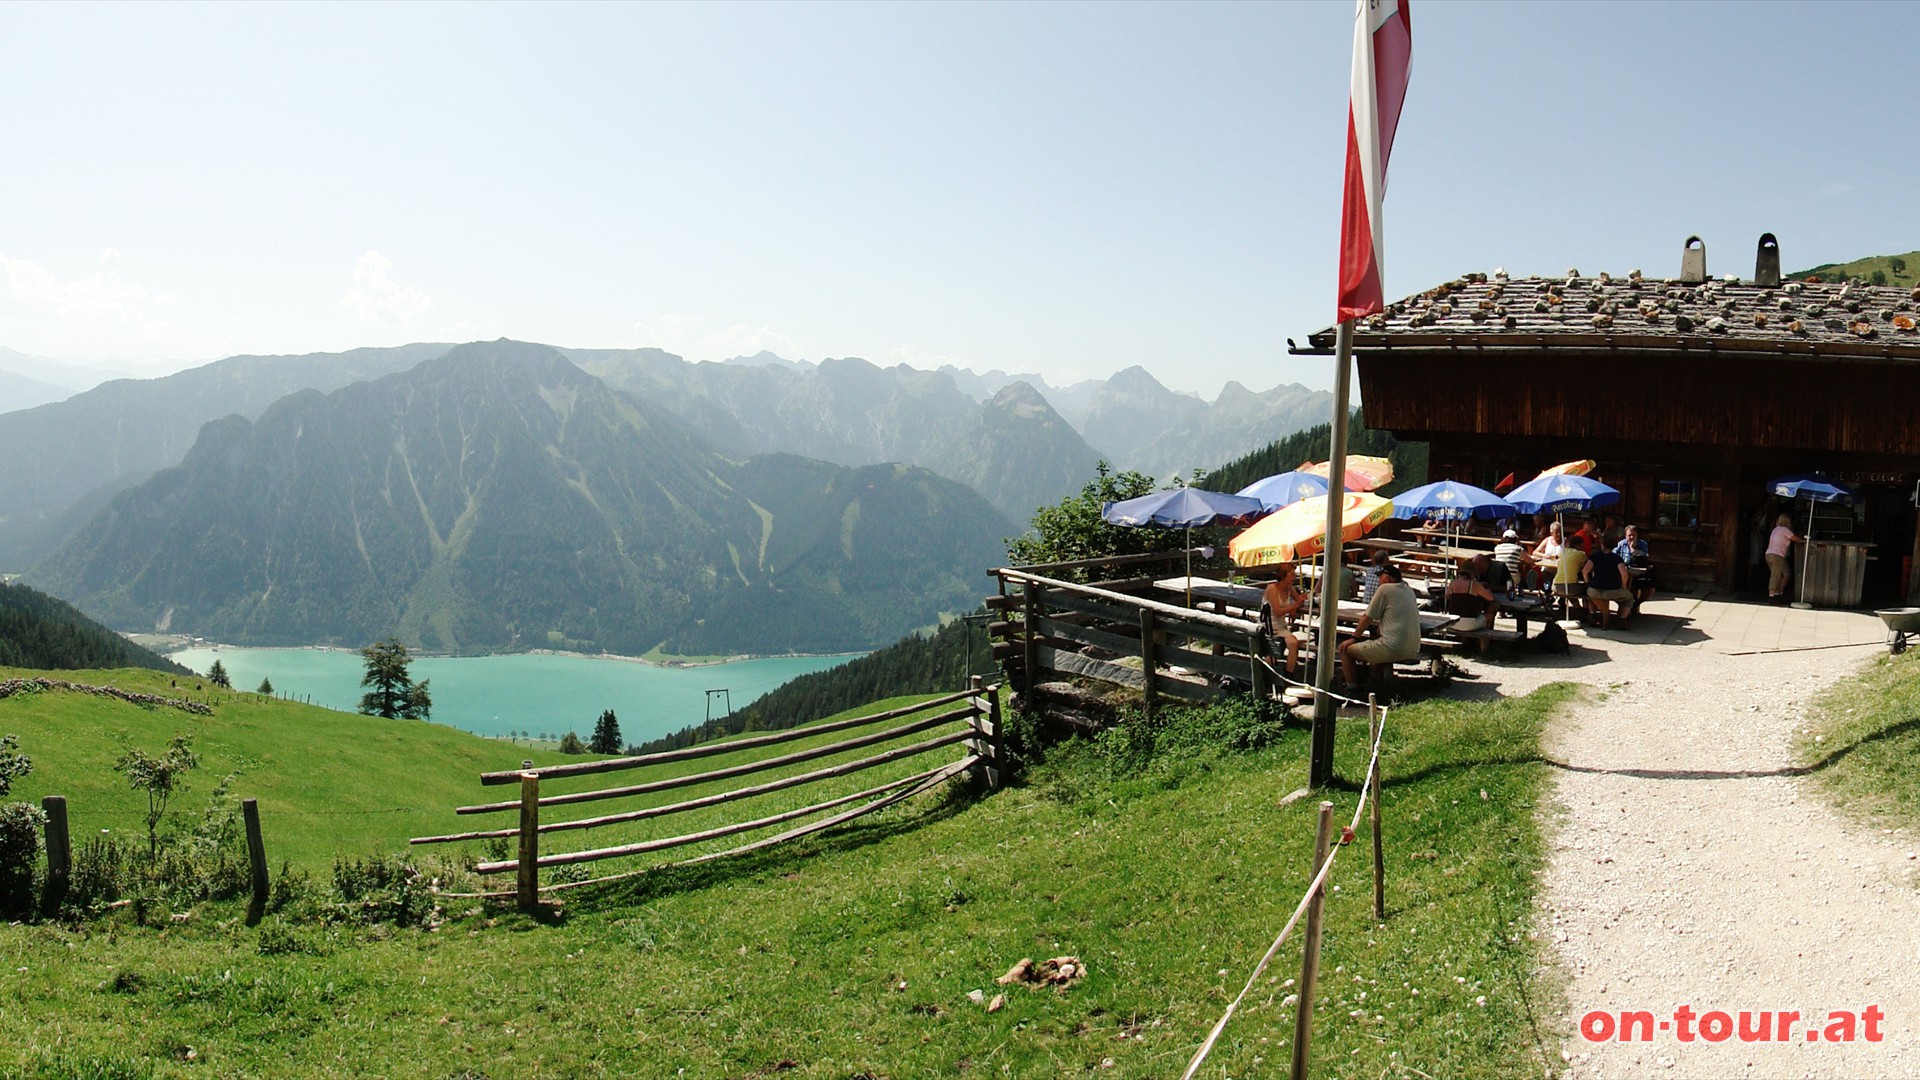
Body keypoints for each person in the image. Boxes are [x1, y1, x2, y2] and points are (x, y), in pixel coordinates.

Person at [1340, 563, 1422, 688]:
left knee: (1344, 650)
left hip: (1393, 647)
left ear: (1388, 578)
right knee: (1377, 639)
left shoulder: (1385, 589)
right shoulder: (1408, 589)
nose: (1379, 580)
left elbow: (1367, 617)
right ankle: (1375, 681)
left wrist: (1354, 638)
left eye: (1380, 577)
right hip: (1413, 647)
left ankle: (1351, 686)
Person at [1261, 563, 1306, 676]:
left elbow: (1298, 600)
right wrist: (1295, 606)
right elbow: (1277, 612)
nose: (1294, 577)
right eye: (1292, 575)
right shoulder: (1272, 589)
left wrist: (1303, 597)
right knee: (1271, 654)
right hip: (1269, 626)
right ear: (1283, 575)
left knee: (1293, 643)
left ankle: (1288, 673)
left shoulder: (1289, 588)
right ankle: (1266, 676)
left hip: (1281, 627)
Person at [1583, 546, 1635, 628]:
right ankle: (1623, 619)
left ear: (1602, 545)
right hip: (1612, 591)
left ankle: (1592, 615)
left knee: (1590, 596)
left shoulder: (1595, 556)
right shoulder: (1617, 558)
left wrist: (1587, 583)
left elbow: (1585, 571)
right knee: (1629, 598)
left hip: (1594, 590)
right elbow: (1624, 574)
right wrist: (1624, 585)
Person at [1444, 561, 1498, 632]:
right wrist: (1486, 589)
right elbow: (1490, 598)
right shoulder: (1474, 584)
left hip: (1452, 622)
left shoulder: (1453, 583)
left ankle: (1466, 640)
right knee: (1490, 615)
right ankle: (1483, 642)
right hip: (1468, 624)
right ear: (1472, 573)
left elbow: (1447, 597)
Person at [1766, 513, 1803, 604]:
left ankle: (1777, 594)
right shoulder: (1785, 530)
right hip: (1777, 555)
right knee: (1776, 575)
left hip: (1769, 553)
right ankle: (1772, 596)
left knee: (1778, 574)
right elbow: (1795, 538)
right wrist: (1804, 538)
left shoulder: (1775, 529)